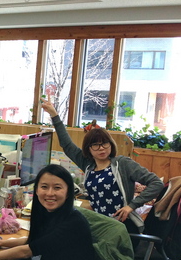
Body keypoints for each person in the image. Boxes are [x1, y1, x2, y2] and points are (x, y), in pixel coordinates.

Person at [40, 98, 163, 232]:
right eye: (95, 145)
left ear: (111, 144)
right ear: (89, 149)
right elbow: (67, 145)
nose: (101, 148)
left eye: (105, 143)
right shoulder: (88, 165)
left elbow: (156, 183)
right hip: (101, 224)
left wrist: (132, 206)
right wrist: (54, 114)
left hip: (121, 227)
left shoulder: (122, 164)